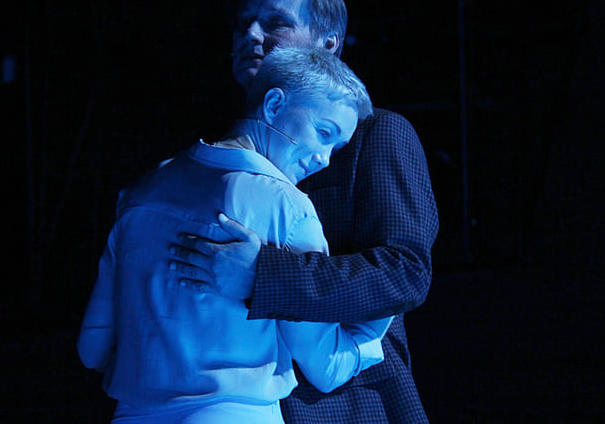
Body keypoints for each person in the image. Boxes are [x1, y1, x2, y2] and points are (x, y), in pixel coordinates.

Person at [170, 0, 439, 423]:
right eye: (243, 23)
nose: (251, 35)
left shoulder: (375, 135)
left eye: (276, 23)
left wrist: (262, 276)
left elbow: (405, 271)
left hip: (339, 405)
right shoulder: (209, 153)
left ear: (328, 44)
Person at [77, 47, 392, 424]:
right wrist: (380, 319)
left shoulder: (140, 193)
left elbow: (92, 348)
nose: (324, 159)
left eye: (335, 148)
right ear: (273, 105)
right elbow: (327, 367)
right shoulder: (287, 208)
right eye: (324, 133)